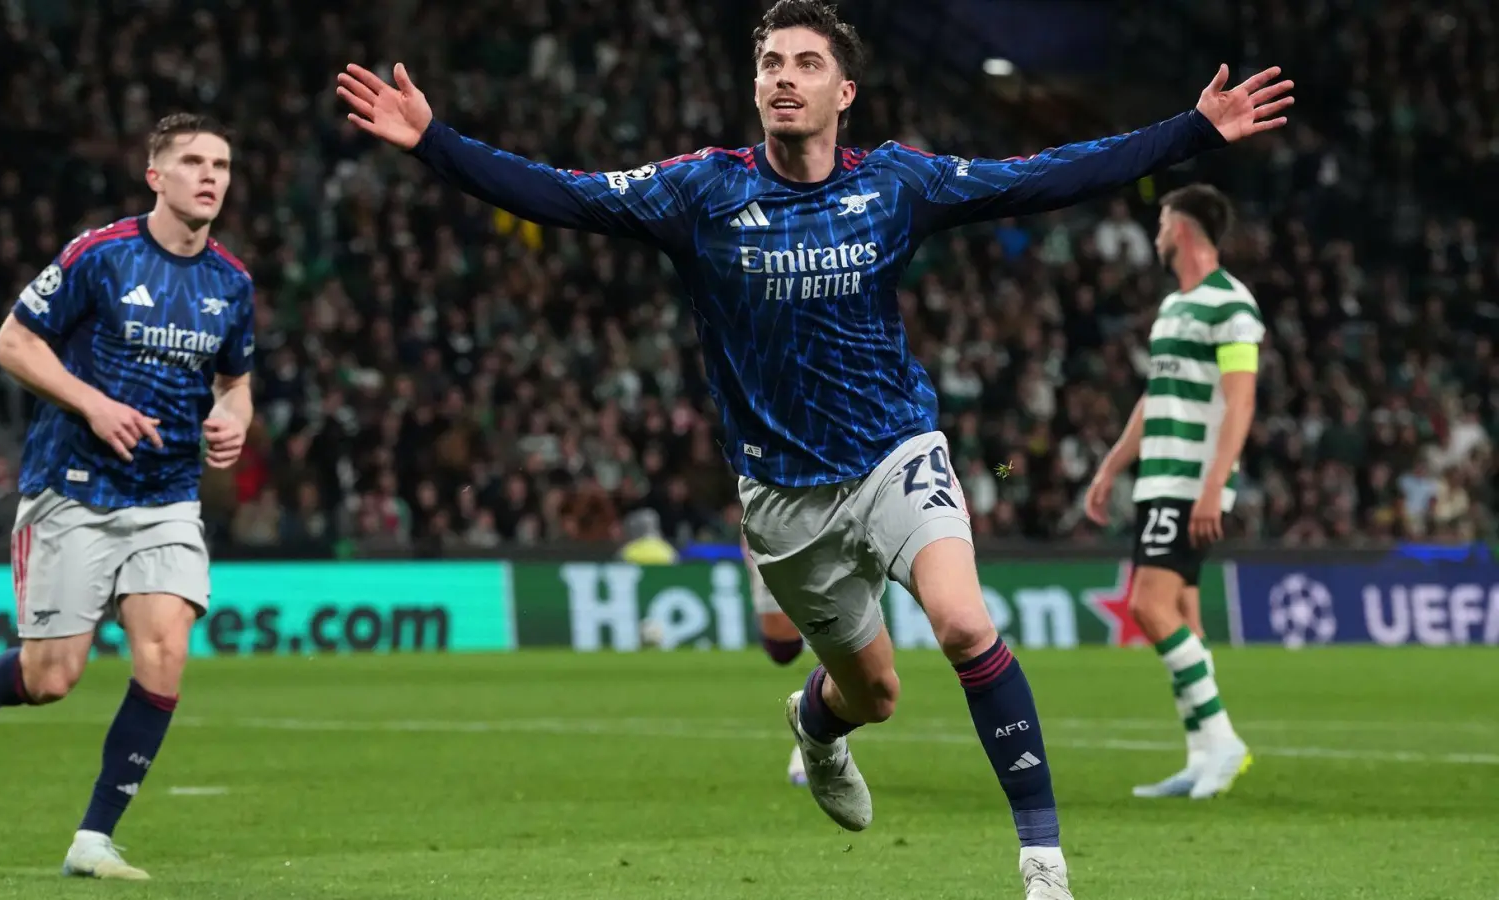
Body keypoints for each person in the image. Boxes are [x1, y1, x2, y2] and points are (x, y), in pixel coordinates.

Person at [335, 1, 1291, 893]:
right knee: (872, 693)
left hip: (895, 454)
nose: (783, 77)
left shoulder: (896, 183)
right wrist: (434, 143)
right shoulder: (699, 192)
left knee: (964, 623)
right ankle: (816, 725)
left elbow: (1043, 175)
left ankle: (1043, 867)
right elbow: (558, 194)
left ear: (845, 93)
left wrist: (1190, 132)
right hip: (785, 498)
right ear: (755, 86)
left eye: (805, 63)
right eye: (769, 63)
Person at [0, 113, 256, 881]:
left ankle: (93, 839)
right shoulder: (100, 256)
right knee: (52, 678)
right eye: (195, 161)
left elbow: (235, 383)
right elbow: (13, 341)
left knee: (166, 649)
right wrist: (92, 404)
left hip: (168, 493)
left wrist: (231, 420)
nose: (212, 176)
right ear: (156, 176)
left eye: (224, 164)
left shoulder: (231, 283)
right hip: (73, 488)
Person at [1085, 184, 1259, 800]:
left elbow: (1241, 399)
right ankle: (1202, 753)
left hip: (1190, 481)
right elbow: (1155, 396)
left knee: (1148, 608)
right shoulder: (1172, 309)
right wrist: (1111, 466)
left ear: (1181, 228)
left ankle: (1223, 738)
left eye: (1161, 221)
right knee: (1182, 611)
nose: (1156, 232)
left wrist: (1215, 483)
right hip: (1159, 476)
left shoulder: (1230, 304)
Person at [746, 535, 810, 786]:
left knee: (870, 681)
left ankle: (816, 736)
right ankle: (818, 726)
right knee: (783, 650)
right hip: (787, 522)